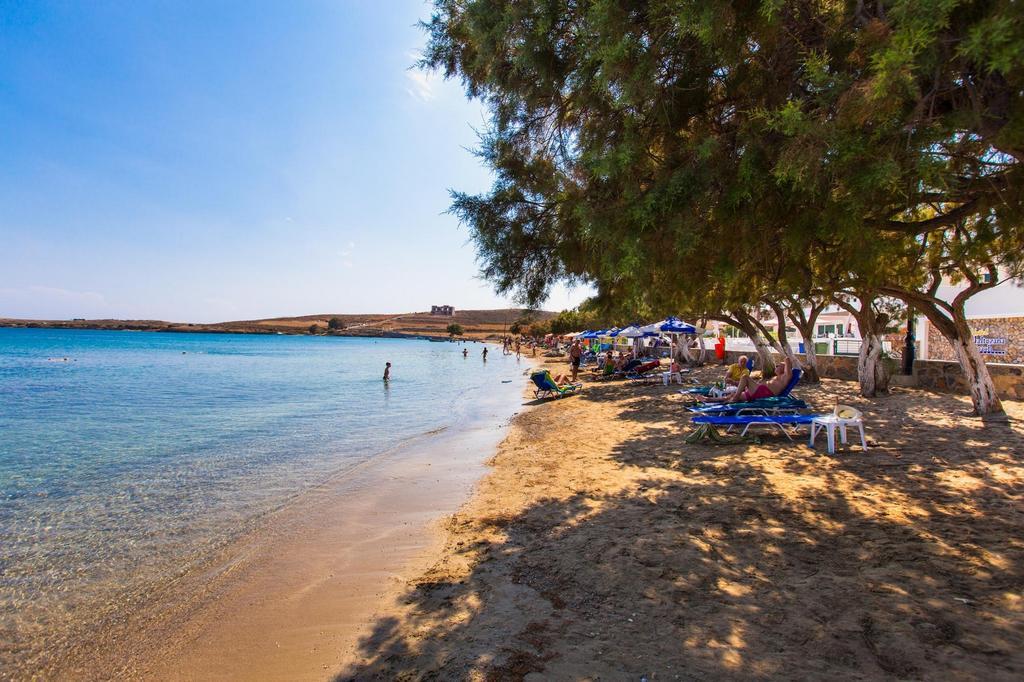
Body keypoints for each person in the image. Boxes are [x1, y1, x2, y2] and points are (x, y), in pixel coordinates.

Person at [707, 357, 794, 403]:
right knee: (731, 394)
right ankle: (709, 399)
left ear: (785, 369)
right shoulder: (776, 377)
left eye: (779, 365)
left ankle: (735, 397)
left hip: (762, 393)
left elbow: (787, 359)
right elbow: (727, 376)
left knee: (745, 377)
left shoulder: (785, 377)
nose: (776, 366)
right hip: (756, 391)